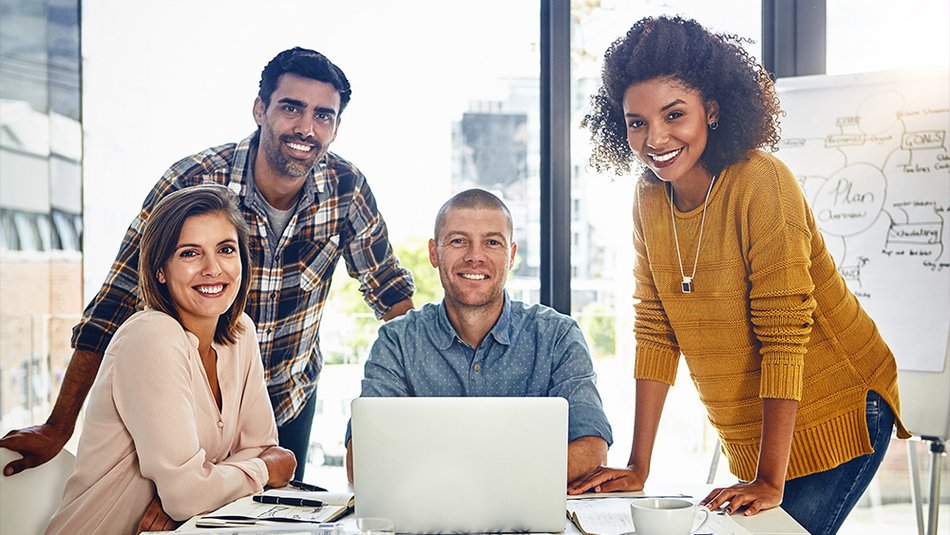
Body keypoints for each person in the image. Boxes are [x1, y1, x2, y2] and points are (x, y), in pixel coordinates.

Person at [0, 47, 415, 482]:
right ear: (260, 109)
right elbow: (115, 304)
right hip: (193, 400)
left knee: (272, 520)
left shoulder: (346, 189)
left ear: (336, 126)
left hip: (288, 401)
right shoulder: (192, 182)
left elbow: (389, 293)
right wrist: (58, 425)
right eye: (291, 108)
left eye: (323, 115)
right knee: (187, 511)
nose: (306, 127)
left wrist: (413, 411)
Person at [567, 16, 909, 535]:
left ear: (713, 110)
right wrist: (639, 466)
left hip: (836, 404)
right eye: (637, 122)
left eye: (674, 114)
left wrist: (769, 479)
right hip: (759, 427)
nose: (654, 138)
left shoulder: (761, 183)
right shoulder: (649, 197)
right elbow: (656, 328)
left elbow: (782, 333)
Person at [45, 185, 296, 534]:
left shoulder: (241, 333)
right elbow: (193, 494)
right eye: (190, 254)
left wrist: (203, 487)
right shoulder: (152, 337)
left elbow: (259, 448)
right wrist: (262, 470)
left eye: (226, 249)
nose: (212, 269)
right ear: (160, 270)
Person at [344, 189, 613, 485]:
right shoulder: (397, 342)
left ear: (511, 256)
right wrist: (509, 476)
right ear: (434, 253)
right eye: (458, 241)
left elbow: (593, 449)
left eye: (492, 242)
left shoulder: (557, 336)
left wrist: (471, 480)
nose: (475, 257)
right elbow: (362, 460)